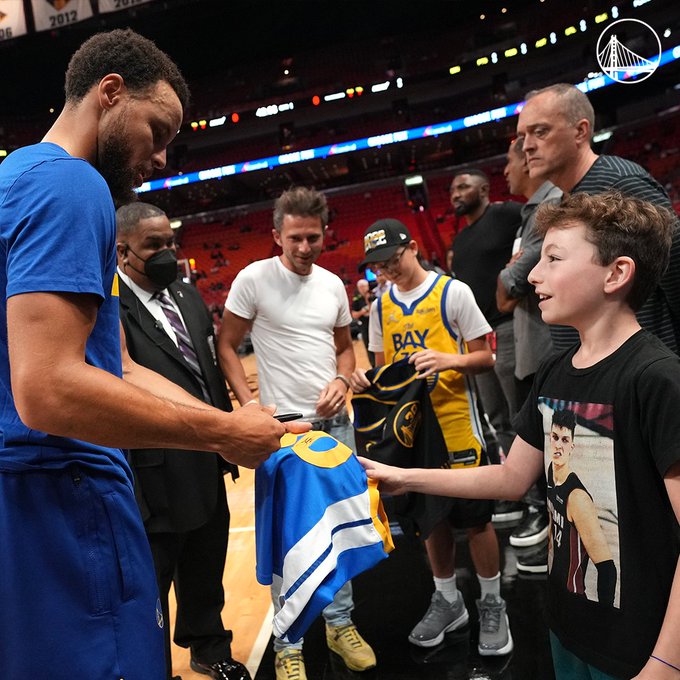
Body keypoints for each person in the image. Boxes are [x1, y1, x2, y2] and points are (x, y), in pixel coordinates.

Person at [0, 29, 303, 679]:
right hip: (61, 489)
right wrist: (224, 427)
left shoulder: (16, 174)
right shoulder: (71, 186)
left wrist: (227, 438)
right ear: (110, 93)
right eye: (158, 128)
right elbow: (49, 387)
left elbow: (120, 366)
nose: (162, 156)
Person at [359, 191, 680, 680]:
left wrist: (665, 661)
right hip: (569, 624)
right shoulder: (555, 368)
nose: (533, 275)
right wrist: (403, 476)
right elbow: (511, 477)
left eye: (553, 259)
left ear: (616, 273)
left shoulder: (656, 378)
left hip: (639, 644)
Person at [217, 186, 376, 680]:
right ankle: (287, 644)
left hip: (336, 427)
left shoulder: (332, 284)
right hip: (282, 431)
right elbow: (227, 346)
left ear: (324, 233)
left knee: (341, 531)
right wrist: (249, 408)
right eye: (295, 238)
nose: (305, 247)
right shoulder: (253, 279)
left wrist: (340, 379)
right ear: (275, 236)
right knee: (289, 539)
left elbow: (346, 350)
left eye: (313, 237)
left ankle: (339, 623)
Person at [351, 218, 514, 658]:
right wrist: (365, 380)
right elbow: (385, 374)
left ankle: (493, 602)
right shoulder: (382, 306)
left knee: (475, 519)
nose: (388, 271)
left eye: (392, 260)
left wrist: (448, 359)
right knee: (431, 517)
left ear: (414, 247)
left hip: (458, 421)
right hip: (414, 432)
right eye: (379, 267)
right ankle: (448, 600)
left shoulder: (452, 292)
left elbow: (486, 356)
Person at [116, 202, 249, 680]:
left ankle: (209, 646)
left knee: (206, 566)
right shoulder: (110, 307)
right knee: (154, 579)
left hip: (208, 459)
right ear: (122, 251)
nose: (166, 253)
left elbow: (207, 372)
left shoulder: (189, 296)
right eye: (154, 246)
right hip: (152, 468)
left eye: (169, 242)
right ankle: (152, 666)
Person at [516, 82, 680, 355]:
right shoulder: (570, 195)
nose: (527, 147)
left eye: (540, 132)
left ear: (580, 131)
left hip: (638, 373)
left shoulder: (621, 181)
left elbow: (675, 267)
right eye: (523, 137)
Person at [496, 137, 563, 567]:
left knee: (558, 445)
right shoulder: (528, 215)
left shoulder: (552, 207)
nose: (505, 170)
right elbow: (508, 289)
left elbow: (510, 284)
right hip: (532, 346)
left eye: (508, 161)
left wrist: (513, 276)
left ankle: (549, 523)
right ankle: (544, 515)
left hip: (549, 347)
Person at [448, 169, 522, 458]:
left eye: (463, 186)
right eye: (452, 189)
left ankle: (544, 491)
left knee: (520, 414)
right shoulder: (460, 239)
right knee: (497, 416)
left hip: (508, 327)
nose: (455, 194)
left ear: (483, 190)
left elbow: (539, 226)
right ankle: (525, 494)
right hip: (477, 338)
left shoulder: (507, 214)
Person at [545, 408, 616, 606]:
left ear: (572, 446)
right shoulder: (550, 471)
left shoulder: (577, 498)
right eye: (555, 437)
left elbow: (607, 569)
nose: (558, 445)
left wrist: (604, 617)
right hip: (556, 598)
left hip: (575, 603)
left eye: (565, 440)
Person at [351, 277, 375, 367]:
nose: (363, 289)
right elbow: (354, 315)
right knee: (368, 346)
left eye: (364, 286)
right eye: (360, 287)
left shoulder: (373, 295)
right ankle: (373, 365)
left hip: (375, 324)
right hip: (364, 325)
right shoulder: (356, 300)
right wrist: (364, 310)